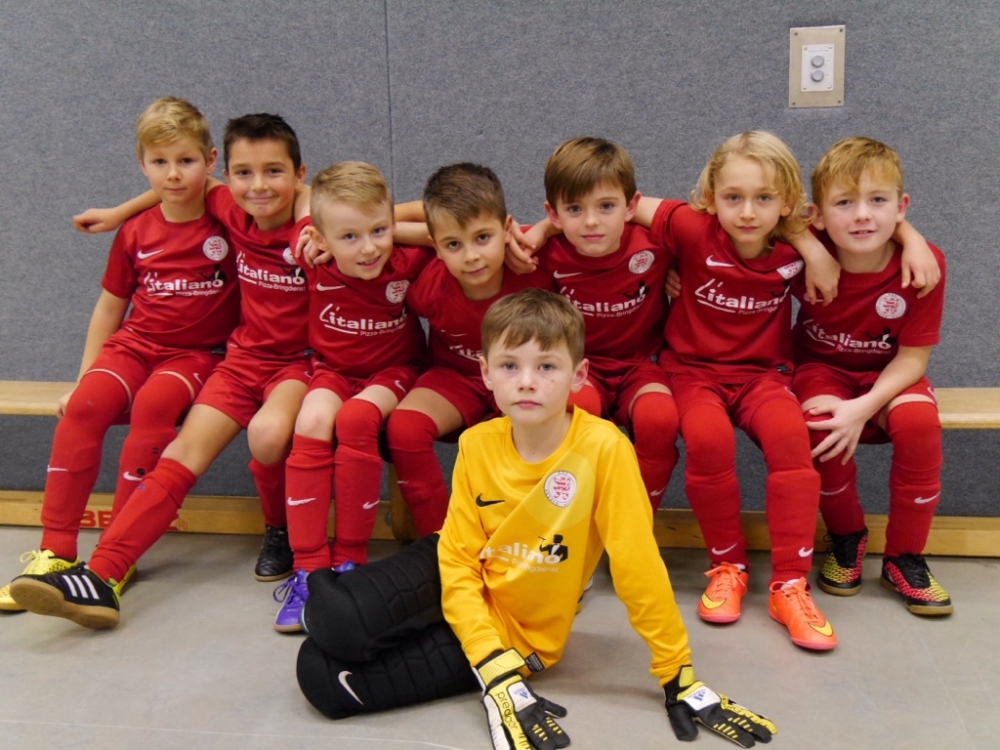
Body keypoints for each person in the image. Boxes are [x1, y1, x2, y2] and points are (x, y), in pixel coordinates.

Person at [295, 289, 777, 749]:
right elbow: (458, 558)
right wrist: (482, 652)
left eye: (546, 366)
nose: (527, 381)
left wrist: (677, 672)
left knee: (321, 678)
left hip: (521, 630)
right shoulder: (476, 443)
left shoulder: (604, 449)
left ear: (578, 375)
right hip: (454, 575)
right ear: (486, 372)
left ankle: (412, 636)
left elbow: (637, 566)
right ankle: (403, 629)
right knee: (332, 616)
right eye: (510, 365)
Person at [10, 114, 312, 629]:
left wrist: (309, 219)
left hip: (299, 364)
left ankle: (279, 531)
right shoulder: (230, 208)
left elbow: (352, 208)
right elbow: (183, 185)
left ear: (299, 175)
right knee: (180, 454)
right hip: (241, 361)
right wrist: (119, 212)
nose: (258, 186)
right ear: (228, 175)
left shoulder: (315, 227)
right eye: (245, 173)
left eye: (274, 172)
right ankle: (103, 575)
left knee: (266, 437)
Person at [0, 97, 239, 612]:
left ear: (210, 161)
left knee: (154, 407)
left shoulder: (225, 220)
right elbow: (110, 307)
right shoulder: (137, 230)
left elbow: (222, 192)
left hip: (195, 356)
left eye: (185, 161)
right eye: (159, 162)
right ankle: (55, 553)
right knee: (85, 407)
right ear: (141, 164)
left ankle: (117, 555)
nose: (172, 174)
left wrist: (122, 206)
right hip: (134, 345)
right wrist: (83, 378)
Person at [632, 131, 841, 650]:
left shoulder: (796, 246)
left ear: (787, 203)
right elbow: (625, 205)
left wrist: (812, 247)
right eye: (733, 197)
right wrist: (544, 228)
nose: (747, 212)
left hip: (763, 376)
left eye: (764, 198)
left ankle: (790, 584)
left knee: (792, 441)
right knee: (708, 441)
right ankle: (728, 567)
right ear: (710, 197)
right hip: (692, 372)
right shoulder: (690, 226)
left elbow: (877, 220)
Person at [793, 136, 951, 615]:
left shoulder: (924, 264)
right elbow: (761, 220)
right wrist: (810, 247)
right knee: (819, 424)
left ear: (901, 207)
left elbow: (914, 359)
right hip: (821, 370)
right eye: (844, 203)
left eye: (878, 200)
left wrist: (912, 238)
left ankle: (905, 557)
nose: (862, 215)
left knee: (919, 424)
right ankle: (847, 538)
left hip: (889, 375)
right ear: (818, 215)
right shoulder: (805, 250)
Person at [274, 161, 435, 632]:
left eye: (378, 231)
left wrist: (399, 231)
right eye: (350, 237)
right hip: (334, 371)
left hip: (396, 371)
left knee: (357, 420)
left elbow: (442, 223)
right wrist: (321, 235)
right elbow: (304, 213)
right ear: (321, 239)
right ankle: (308, 570)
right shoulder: (310, 252)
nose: (368, 248)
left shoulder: (407, 259)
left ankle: (349, 562)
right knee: (310, 422)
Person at [513, 137, 680, 512]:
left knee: (658, 420)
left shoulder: (656, 244)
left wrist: (682, 270)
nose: (591, 221)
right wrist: (541, 230)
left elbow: (705, 228)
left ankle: (635, 519)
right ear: (554, 213)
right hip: (579, 368)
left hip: (642, 366)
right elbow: (462, 230)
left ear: (631, 206)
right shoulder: (542, 252)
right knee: (575, 412)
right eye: (574, 208)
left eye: (606, 206)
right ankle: (580, 522)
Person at [386, 163, 552, 539]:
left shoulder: (534, 265)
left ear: (507, 229)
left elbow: (570, 223)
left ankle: (524, 539)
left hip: (519, 381)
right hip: (456, 377)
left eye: (482, 238)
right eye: (453, 245)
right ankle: (440, 543)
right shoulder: (426, 285)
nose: (472, 255)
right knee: (405, 428)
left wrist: (541, 228)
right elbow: (368, 227)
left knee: (530, 428)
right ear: (434, 244)